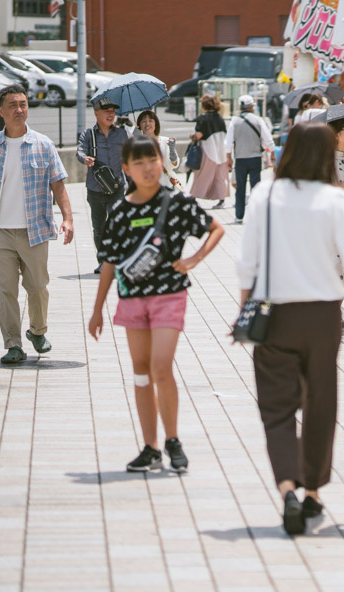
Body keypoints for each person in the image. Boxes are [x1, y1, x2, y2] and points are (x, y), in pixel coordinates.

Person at [238, 122, 344, 536]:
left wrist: (245, 310)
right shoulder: (335, 200)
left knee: (277, 409)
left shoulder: (264, 195)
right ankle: (313, 490)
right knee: (321, 401)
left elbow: (246, 263)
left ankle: (287, 490)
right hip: (322, 316)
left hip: (274, 312)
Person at [88, 134, 224, 474]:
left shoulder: (175, 203)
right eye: (139, 163)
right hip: (132, 300)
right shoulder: (119, 211)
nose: (148, 168)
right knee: (141, 373)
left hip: (169, 296)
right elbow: (109, 262)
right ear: (126, 170)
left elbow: (215, 228)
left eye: (152, 161)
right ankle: (150, 447)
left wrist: (194, 259)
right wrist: (96, 309)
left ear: (161, 163)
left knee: (161, 367)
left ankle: (173, 439)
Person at [0, 85, 74, 365]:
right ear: (0, 111)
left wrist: (68, 218)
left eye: (23, 104)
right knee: (5, 291)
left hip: (33, 231)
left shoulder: (43, 144)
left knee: (38, 287)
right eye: (12, 105)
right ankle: (13, 344)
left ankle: (37, 331)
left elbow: (58, 184)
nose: (19, 110)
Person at [77, 95, 130, 274]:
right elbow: (80, 150)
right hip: (95, 189)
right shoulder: (88, 134)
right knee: (99, 228)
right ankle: (103, 261)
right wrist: (85, 159)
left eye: (113, 112)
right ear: (97, 114)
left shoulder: (122, 133)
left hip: (117, 188)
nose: (111, 115)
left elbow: (133, 152)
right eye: (107, 112)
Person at [227, 94, 275, 223]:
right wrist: (271, 153)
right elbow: (268, 139)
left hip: (240, 158)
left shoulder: (234, 121)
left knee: (240, 188)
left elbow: (229, 142)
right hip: (255, 157)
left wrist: (229, 158)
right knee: (256, 188)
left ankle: (239, 215)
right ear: (252, 106)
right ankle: (257, 215)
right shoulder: (258, 120)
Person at [190, 94, 230, 207]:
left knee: (201, 175)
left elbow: (198, 135)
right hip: (221, 151)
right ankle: (221, 200)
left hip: (208, 150)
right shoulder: (220, 118)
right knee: (220, 177)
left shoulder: (202, 118)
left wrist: (192, 136)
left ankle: (194, 198)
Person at [136, 109, 182, 190]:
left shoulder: (165, 141)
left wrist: (172, 151)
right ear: (139, 125)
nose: (147, 124)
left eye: (150, 121)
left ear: (156, 124)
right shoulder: (136, 143)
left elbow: (174, 164)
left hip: (165, 186)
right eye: (143, 121)